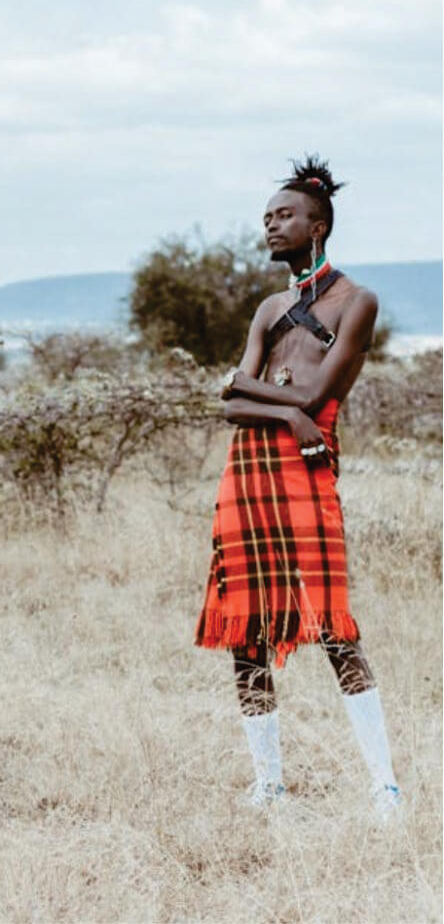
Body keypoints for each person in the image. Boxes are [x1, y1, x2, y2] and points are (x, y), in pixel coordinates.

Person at [195, 156, 402, 816]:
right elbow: (235, 407)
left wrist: (271, 395)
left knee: (336, 626)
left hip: (308, 470)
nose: (270, 227)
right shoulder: (268, 308)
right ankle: (269, 783)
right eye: (265, 219)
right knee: (246, 629)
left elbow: (311, 392)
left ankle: (384, 786)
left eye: (283, 216)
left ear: (318, 227)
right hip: (250, 468)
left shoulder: (356, 302)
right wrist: (284, 410)